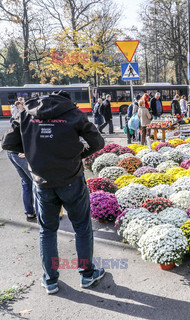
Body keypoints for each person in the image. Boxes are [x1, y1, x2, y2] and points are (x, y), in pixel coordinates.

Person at [2, 90, 105, 294]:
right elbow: (98, 142)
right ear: (68, 101)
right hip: (71, 180)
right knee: (82, 227)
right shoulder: (73, 113)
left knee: (47, 230)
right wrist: (79, 155)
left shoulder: (26, 113)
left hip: (42, 182)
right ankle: (86, 275)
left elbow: (7, 143)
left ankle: (50, 280)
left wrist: (34, 151)